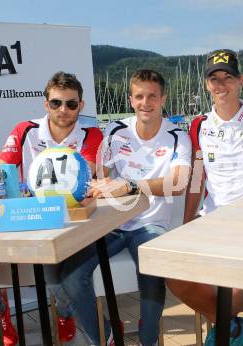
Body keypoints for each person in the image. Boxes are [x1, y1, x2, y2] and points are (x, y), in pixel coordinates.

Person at [60, 69, 191, 346]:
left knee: (152, 272)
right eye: (140, 96)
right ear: (131, 99)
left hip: (151, 225)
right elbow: (102, 178)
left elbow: (178, 183)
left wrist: (130, 185)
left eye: (152, 96)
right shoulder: (116, 130)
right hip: (112, 224)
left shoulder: (178, 135)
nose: (146, 103)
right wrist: (99, 185)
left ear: (163, 99)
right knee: (70, 275)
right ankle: (106, 335)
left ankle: (148, 337)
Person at [0, 71, 103, 346]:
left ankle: (65, 313)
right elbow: (6, 169)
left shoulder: (91, 133)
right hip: (29, 218)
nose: (63, 110)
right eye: (56, 103)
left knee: (57, 276)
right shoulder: (25, 130)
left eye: (71, 103)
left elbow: (88, 171)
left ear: (81, 105)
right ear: (46, 104)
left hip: (69, 224)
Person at [166, 49, 243, 345]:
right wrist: (186, 223)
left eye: (227, 77)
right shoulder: (199, 125)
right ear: (207, 84)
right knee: (172, 274)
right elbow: (196, 179)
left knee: (236, 286)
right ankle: (230, 326)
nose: (220, 84)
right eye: (214, 78)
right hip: (211, 221)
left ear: (240, 81)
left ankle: (224, 330)